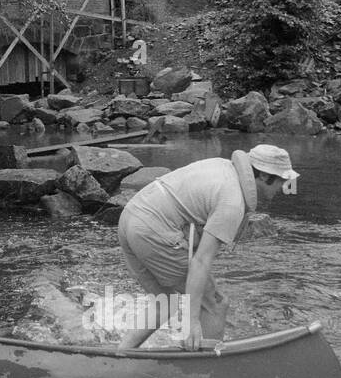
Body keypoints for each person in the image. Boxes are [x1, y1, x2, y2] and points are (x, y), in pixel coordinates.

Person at [116, 144, 299, 351]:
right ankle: (211, 368)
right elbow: (200, 261)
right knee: (215, 303)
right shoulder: (232, 203)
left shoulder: (222, 166)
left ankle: (120, 356)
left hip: (130, 216)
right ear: (265, 177)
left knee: (165, 301)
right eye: (282, 181)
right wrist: (192, 321)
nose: (284, 188)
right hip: (151, 229)